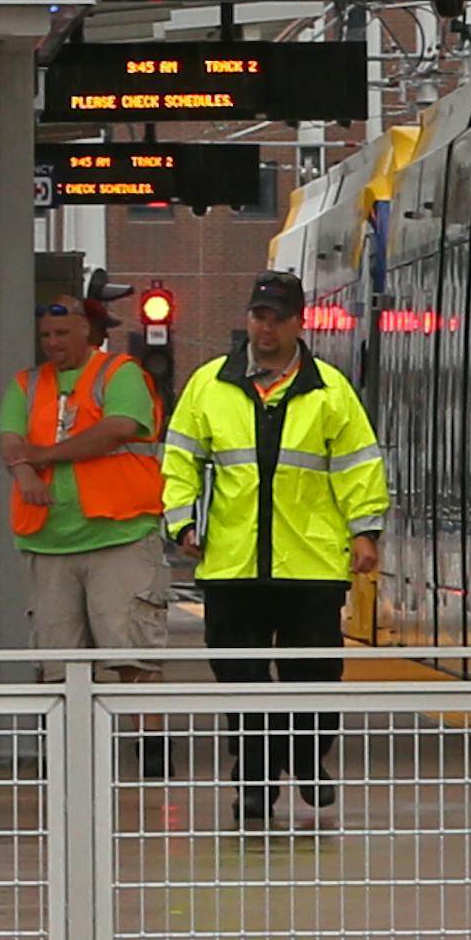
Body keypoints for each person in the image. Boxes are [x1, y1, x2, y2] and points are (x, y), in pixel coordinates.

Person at [161, 270, 388, 827]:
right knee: (241, 679)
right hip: (232, 564)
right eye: (259, 316)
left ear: (298, 323)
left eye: (278, 318)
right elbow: (180, 462)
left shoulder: (331, 392)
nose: (266, 327)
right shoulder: (209, 385)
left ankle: (308, 760)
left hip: (309, 563)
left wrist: (365, 532)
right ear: (248, 319)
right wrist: (183, 524)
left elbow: (359, 465)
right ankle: (256, 782)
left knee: (313, 673)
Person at [0, 294, 170, 770]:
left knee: (132, 652)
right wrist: (24, 471)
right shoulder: (26, 385)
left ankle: (151, 756)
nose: (53, 344)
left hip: (119, 534)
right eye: (47, 336)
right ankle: (72, 756)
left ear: (89, 333)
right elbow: (10, 439)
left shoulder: (121, 374)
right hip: (48, 540)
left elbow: (116, 429)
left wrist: (44, 457)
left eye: (63, 334)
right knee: (58, 662)